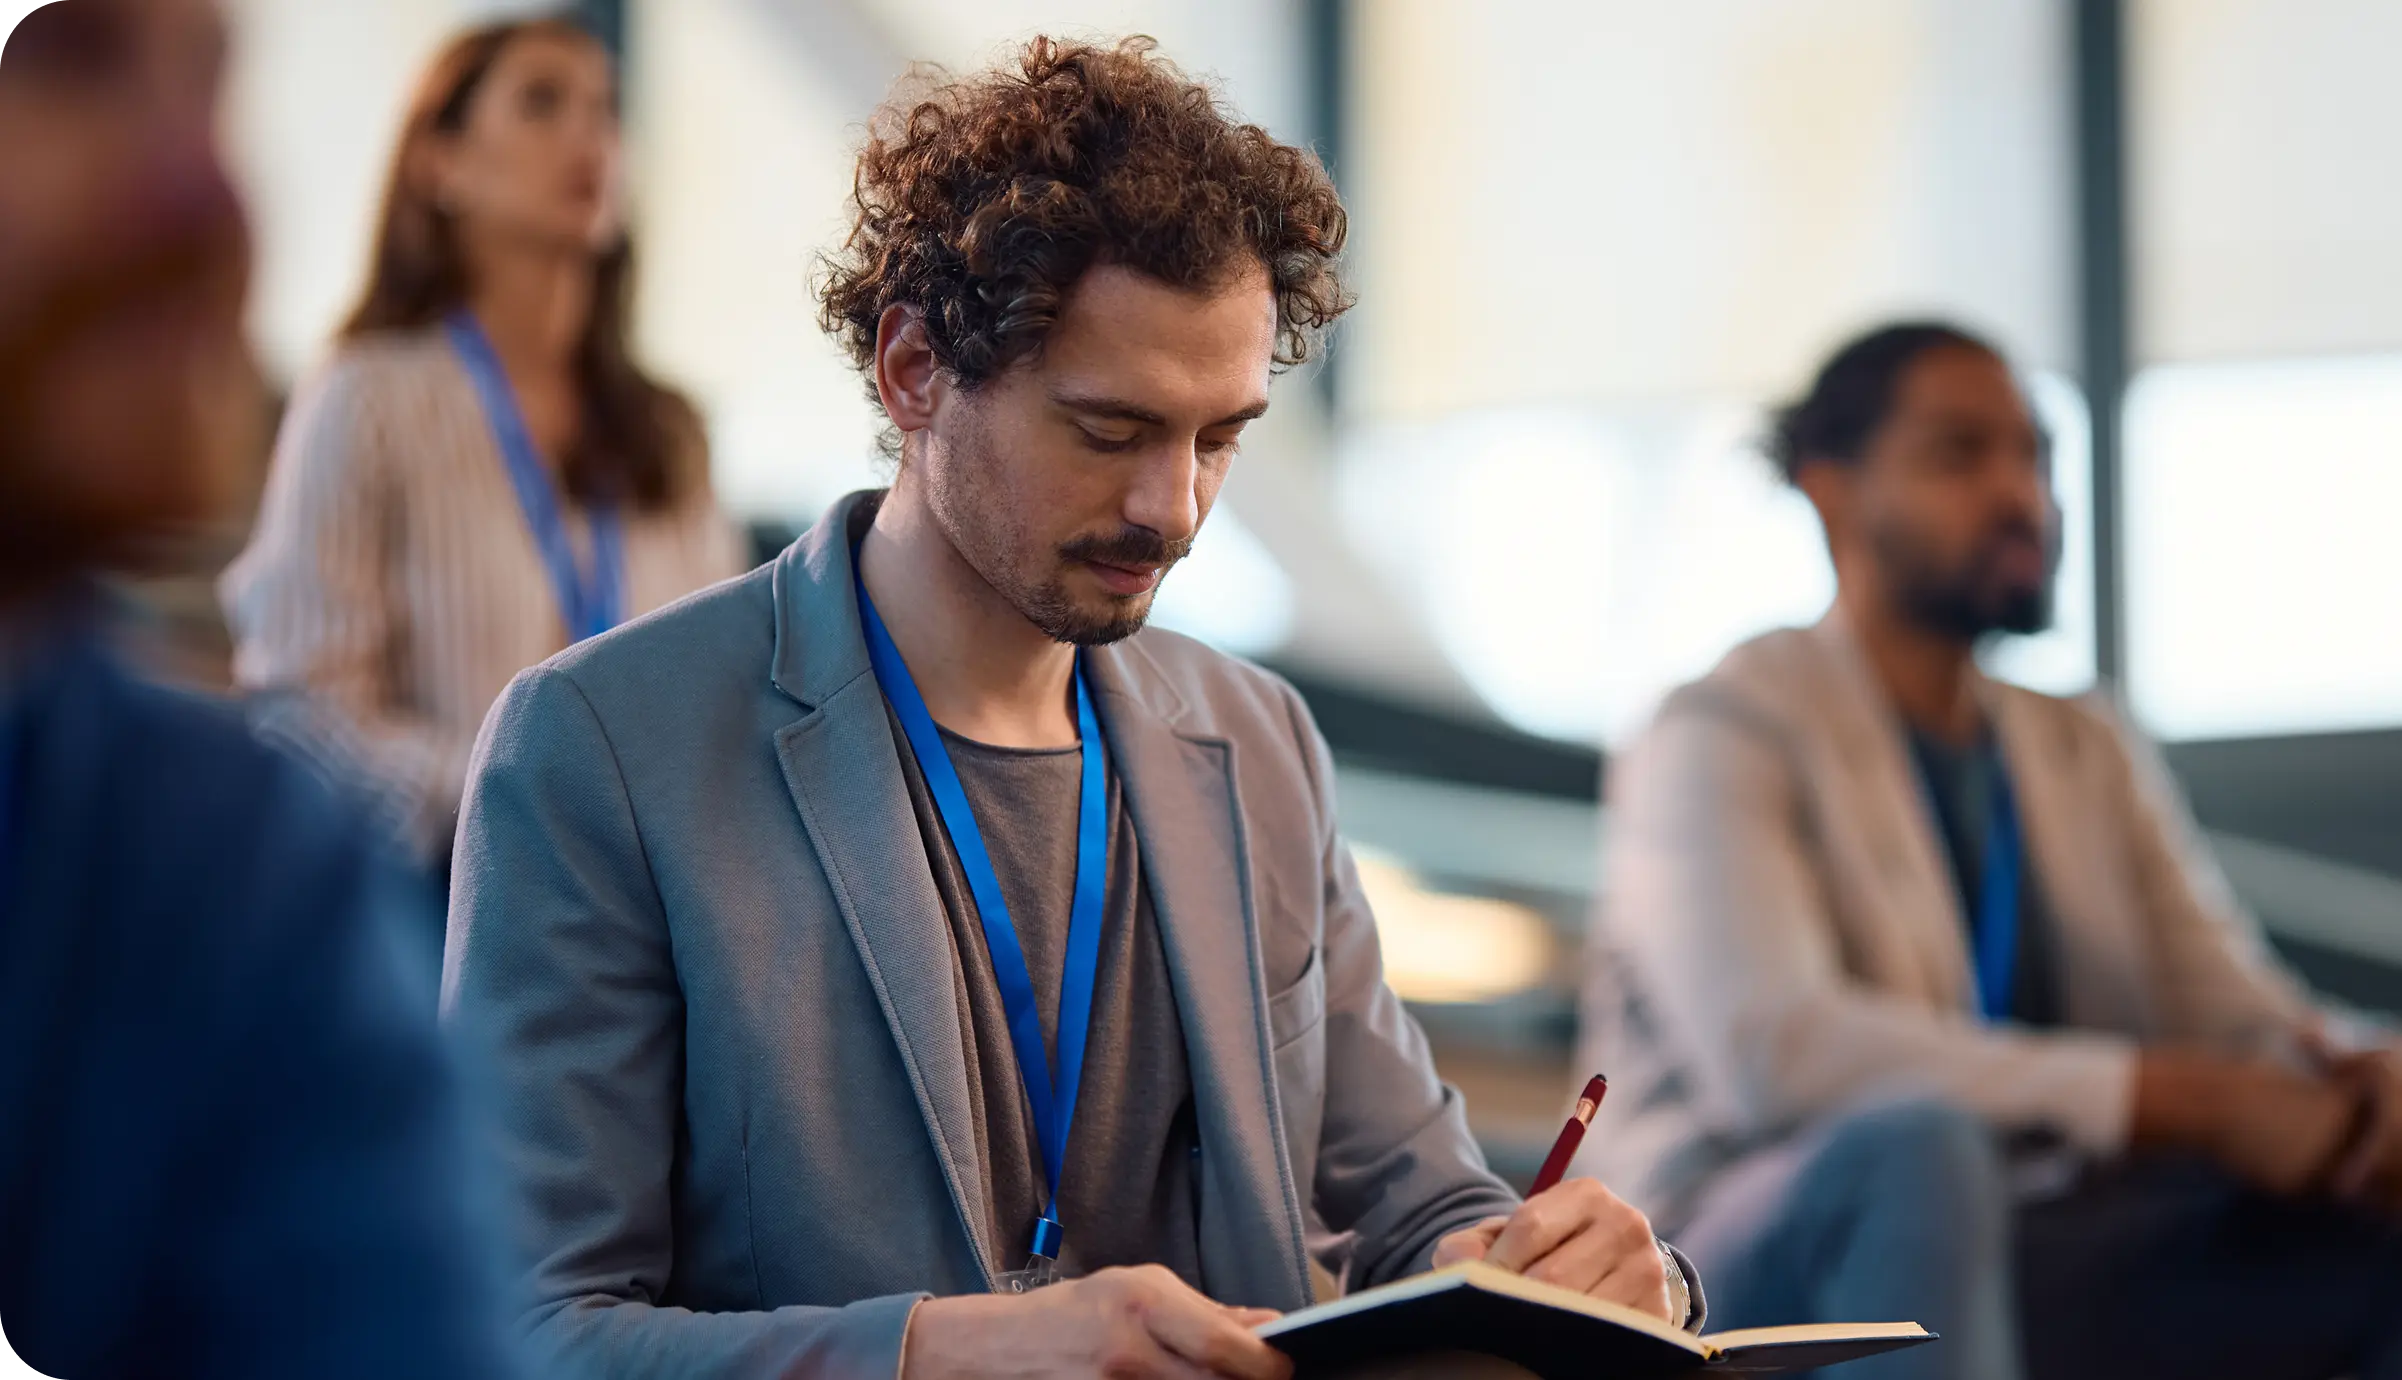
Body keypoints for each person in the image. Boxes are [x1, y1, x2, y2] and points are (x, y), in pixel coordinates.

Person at [444, 36, 1699, 1380]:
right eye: (1111, 431)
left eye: (1220, 436)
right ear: (913, 372)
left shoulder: (1255, 742)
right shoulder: (603, 748)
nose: (1175, 508)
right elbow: (507, 1331)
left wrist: (1560, 1274)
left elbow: (1424, 1203)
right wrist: (947, 1354)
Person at [1578, 321, 2402, 1380]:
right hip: (1726, 1265)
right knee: (1921, 1155)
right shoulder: (1718, 728)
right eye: (1961, 453)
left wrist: (2370, 1072)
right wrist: (2174, 1101)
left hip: (2021, 1249)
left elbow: (2234, 1012)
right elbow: (1782, 1056)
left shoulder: (2079, 746)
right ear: (1832, 491)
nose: (2019, 494)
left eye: (2034, 454)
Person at [0, 0, 522, 1374]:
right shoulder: (368, 399)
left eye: (213, 84)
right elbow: (315, 693)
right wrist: (523, 787)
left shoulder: (224, 875)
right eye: (66, 58)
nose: (211, 191)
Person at [222, 15, 741, 891]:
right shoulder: (366, 396)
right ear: (442, 163)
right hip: (441, 906)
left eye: (604, 109)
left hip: (655, 916)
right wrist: (518, 799)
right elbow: (302, 711)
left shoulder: (667, 425)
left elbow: (725, 693)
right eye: (542, 103)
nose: (590, 136)